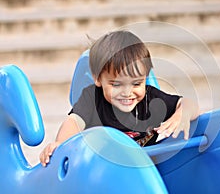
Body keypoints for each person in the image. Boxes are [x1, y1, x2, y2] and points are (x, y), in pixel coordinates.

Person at [39, 30, 201, 167]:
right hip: (105, 171)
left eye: (136, 83)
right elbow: (74, 122)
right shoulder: (93, 100)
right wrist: (60, 145)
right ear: (98, 78)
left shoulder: (151, 99)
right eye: (116, 85)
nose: (127, 93)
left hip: (148, 171)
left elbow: (188, 103)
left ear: (146, 77)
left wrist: (182, 114)